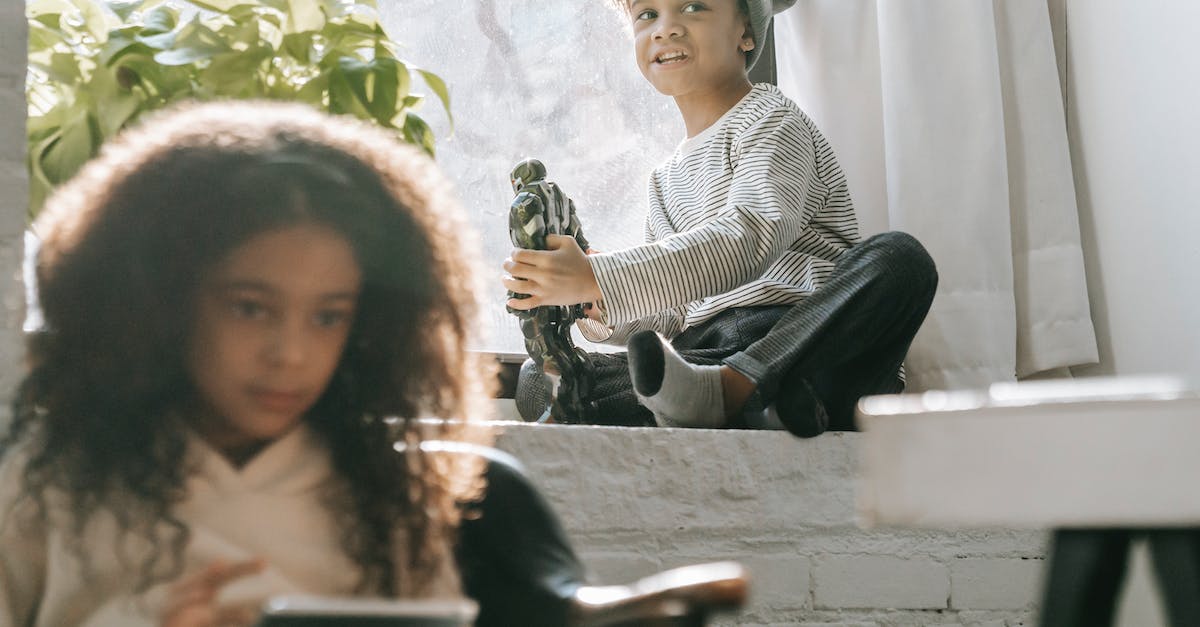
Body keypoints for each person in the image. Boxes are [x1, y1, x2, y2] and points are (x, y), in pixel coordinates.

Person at [0, 101, 496, 626]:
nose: (290, 354)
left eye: (328, 317)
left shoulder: (387, 500)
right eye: (251, 309)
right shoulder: (46, 487)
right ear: (162, 302)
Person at [502, 0, 938, 434]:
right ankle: (752, 403)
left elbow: (747, 239)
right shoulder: (663, 179)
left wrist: (600, 277)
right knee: (540, 381)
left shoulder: (772, 121)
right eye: (647, 15)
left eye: (693, 7)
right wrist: (590, 302)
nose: (666, 28)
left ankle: (737, 390)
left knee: (900, 259)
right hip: (708, 354)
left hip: (802, 339)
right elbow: (673, 316)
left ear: (745, 33)